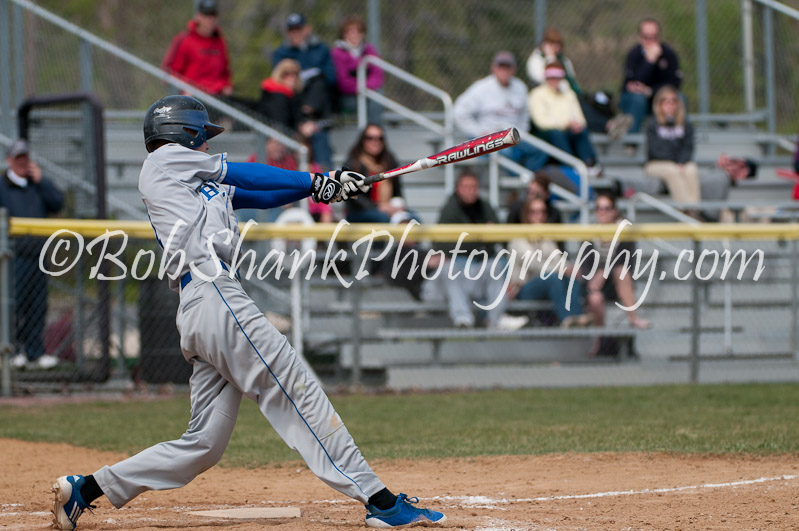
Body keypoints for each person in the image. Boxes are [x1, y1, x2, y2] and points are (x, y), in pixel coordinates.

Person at [50, 95, 445, 531]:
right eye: (202, 135)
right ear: (183, 133)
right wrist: (315, 177)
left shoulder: (194, 181)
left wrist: (322, 187)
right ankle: (380, 501)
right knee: (294, 385)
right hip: (212, 295)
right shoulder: (165, 161)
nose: (207, 143)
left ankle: (85, 489)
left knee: (203, 445)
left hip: (206, 307)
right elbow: (243, 172)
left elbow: (258, 191)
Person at [436, 168, 529, 330]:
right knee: (447, 269)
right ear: (458, 188)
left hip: (482, 264)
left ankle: (495, 319)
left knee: (499, 265)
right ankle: (463, 319)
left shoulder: (484, 206)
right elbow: (442, 245)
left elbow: (499, 235)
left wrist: (478, 239)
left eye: (474, 187)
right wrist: (479, 239)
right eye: (466, 187)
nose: (470, 191)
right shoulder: (449, 210)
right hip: (461, 266)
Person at [1, 139, 64, 371]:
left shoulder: (37, 184)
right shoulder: (3, 186)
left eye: (25, 157)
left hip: (39, 254)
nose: (22, 162)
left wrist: (42, 181)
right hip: (13, 256)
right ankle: (12, 350)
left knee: (38, 306)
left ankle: (35, 352)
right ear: (9, 160)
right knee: (14, 305)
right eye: (18, 158)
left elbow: (57, 203)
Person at [526, 27, 632, 140]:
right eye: (553, 44)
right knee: (582, 107)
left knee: (597, 100)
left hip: (571, 94)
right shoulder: (536, 61)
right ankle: (609, 126)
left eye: (558, 45)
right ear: (545, 45)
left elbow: (572, 81)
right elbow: (549, 82)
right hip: (556, 100)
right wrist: (550, 57)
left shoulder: (564, 60)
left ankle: (613, 122)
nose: (556, 48)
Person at [454, 51, 548, 172]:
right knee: (505, 152)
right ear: (493, 68)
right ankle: (517, 181)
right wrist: (479, 131)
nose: (504, 70)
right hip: (490, 138)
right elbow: (459, 112)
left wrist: (521, 132)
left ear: (514, 69)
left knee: (541, 150)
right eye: (501, 66)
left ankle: (526, 180)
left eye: (508, 67)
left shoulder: (520, 87)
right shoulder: (482, 88)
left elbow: (524, 116)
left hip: (514, 136)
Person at [508, 197, 591, 328]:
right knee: (553, 278)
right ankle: (567, 319)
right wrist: (560, 269)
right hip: (523, 289)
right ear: (526, 214)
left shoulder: (546, 236)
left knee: (571, 278)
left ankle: (578, 318)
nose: (539, 216)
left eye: (543, 211)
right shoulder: (518, 238)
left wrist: (569, 267)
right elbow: (534, 264)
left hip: (546, 284)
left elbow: (558, 258)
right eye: (534, 212)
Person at [273, 13, 336, 170]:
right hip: (292, 109)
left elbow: (331, 78)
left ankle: (324, 173)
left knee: (318, 83)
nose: (295, 33)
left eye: (298, 29)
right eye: (291, 30)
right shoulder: (281, 52)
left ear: (307, 29)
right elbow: (277, 80)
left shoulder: (320, 49)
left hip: (318, 107)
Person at [584, 193, 651, 335]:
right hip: (596, 283)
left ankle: (633, 318)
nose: (602, 212)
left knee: (621, 272)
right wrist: (596, 277)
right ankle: (600, 339)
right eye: (599, 208)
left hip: (617, 282)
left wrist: (604, 271)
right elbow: (586, 264)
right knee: (595, 299)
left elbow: (626, 262)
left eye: (606, 208)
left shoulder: (625, 231)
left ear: (614, 211)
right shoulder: (590, 233)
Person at [528, 62, 602, 177]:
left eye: (557, 77)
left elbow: (580, 118)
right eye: (551, 77)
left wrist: (577, 124)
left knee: (581, 131)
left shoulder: (569, 94)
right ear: (546, 78)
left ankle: (589, 164)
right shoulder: (537, 94)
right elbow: (541, 122)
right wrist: (566, 124)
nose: (554, 80)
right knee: (556, 134)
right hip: (546, 134)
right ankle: (571, 166)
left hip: (567, 131)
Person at [619, 17, 683, 134]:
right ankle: (632, 140)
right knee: (638, 99)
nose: (650, 41)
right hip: (636, 100)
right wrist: (649, 61)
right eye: (646, 37)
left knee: (679, 98)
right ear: (640, 37)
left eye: (654, 37)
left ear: (659, 37)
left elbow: (674, 83)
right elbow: (634, 83)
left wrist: (650, 91)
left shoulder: (669, 54)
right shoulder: (633, 54)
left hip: (659, 97)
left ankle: (676, 136)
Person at [162, 0, 233, 97]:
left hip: (216, 95)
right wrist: (183, 89)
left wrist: (227, 86)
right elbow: (170, 72)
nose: (210, 19)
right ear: (198, 16)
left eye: (213, 15)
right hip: (193, 95)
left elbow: (225, 73)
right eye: (206, 15)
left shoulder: (219, 42)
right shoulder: (185, 39)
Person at [644, 85, 700, 206]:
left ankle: (694, 207)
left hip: (680, 163)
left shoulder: (686, 124)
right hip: (656, 163)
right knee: (672, 170)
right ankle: (688, 210)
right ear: (659, 104)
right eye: (666, 101)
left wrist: (681, 161)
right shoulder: (652, 125)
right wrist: (676, 162)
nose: (670, 105)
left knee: (691, 169)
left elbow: (688, 147)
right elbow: (655, 150)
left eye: (673, 101)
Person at [343, 123, 407, 223]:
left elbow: (397, 191)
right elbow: (354, 197)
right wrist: (378, 207)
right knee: (382, 218)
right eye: (370, 138)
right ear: (363, 140)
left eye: (380, 138)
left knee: (412, 218)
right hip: (359, 211)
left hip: (386, 208)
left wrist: (398, 207)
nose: (375, 142)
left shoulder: (389, 161)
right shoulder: (353, 163)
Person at [331, 15, 384, 123]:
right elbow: (343, 82)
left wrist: (366, 88)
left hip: (368, 93)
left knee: (377, 96)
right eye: (350, 32)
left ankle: (372, 131)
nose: (355, 35)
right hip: (347, 97)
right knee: (372, 103)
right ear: (344, 34)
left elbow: (378, 75)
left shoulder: (369, 50)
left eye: (358, 32)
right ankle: (373, 131)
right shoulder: (337, 53)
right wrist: (361, 87)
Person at [700, 154, 758, 222]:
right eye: (734, 162)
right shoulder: (720, 178)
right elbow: (711, 215)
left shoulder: (721, 177)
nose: (731, 164)